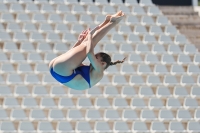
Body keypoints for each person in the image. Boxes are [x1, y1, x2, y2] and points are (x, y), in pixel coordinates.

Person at [49, 11, 126, 90]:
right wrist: (79, 42)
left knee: (88, 44)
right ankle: (108, 21)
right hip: (58, 71)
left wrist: (89, 36)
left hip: (61, 71)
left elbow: (89, 53)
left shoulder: (99, 71)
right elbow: (70, 57)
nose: (92, 58)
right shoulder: (90, 71)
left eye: (96, 57)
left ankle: (112, 22)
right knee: (87, 43)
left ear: (103, 63)